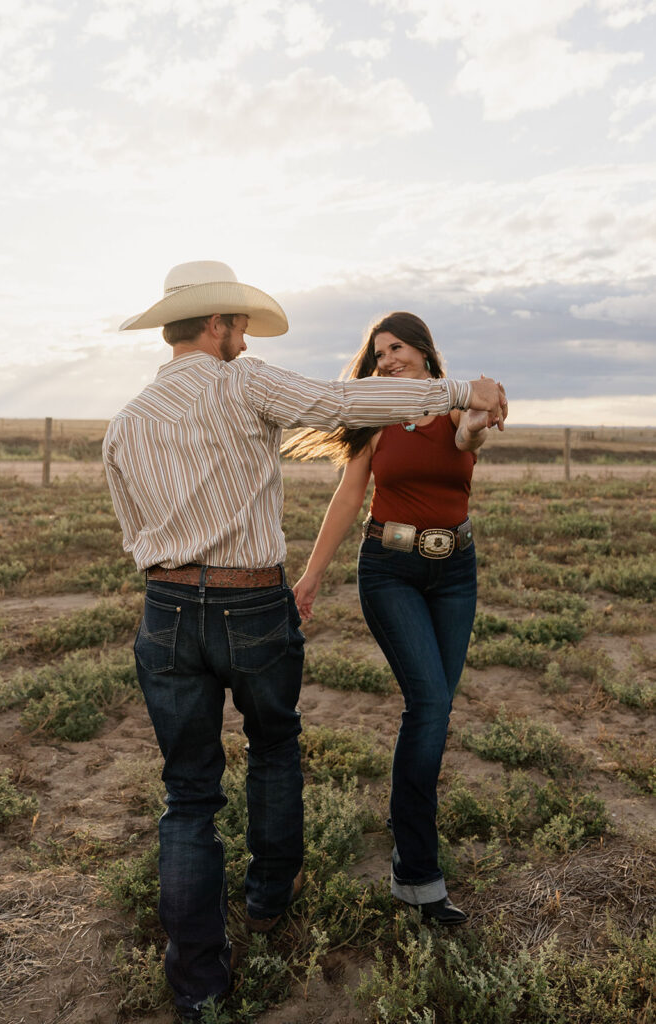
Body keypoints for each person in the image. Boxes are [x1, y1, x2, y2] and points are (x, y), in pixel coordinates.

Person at [102, 263, 506, 1021]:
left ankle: (197, 984)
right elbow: (340, 401)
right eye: (238, 324)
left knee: (188, 794)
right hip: (250, 600)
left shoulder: (125, 419)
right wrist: (454, 389)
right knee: (274, 745)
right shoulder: (243, 383)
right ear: (217, 325)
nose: (245, 335)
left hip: (164, 606)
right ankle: (266, 897)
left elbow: (132, 533)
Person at [289, 311, 506, 927]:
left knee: (433, 710)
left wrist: (479, 415)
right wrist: (311, 576)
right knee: (431, 705)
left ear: (424, 351)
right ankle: (417, 875)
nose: (386, 361)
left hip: (455, 571)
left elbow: (467, 439)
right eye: (378, 355)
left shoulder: (459, 407)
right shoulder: (378, 415)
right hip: (390, 570)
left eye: (396, 350)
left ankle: (406, 816)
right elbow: (350, 496)